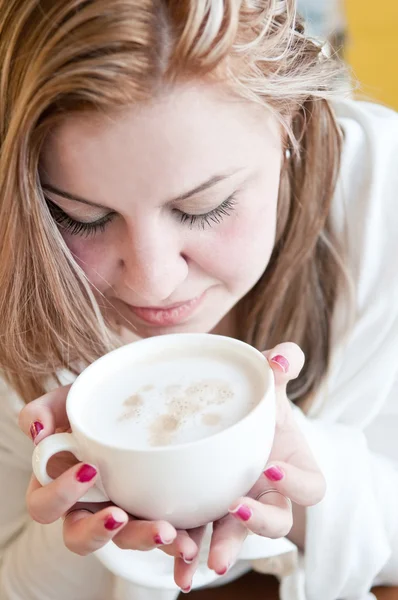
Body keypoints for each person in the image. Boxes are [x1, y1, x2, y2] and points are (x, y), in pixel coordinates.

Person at [0, 1, 397, 599]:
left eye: (203, 208)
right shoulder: (18, 263)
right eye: (81, 218)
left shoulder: (380, 209)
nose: (153, 282)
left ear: (290, 124)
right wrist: (85, 508)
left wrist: (297, 470)